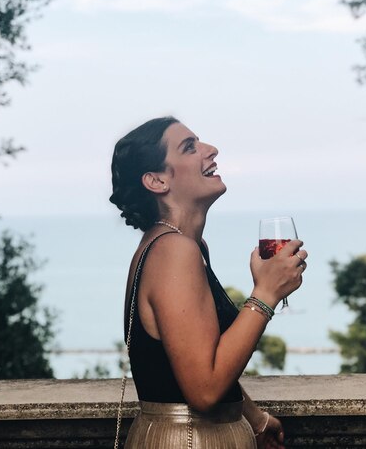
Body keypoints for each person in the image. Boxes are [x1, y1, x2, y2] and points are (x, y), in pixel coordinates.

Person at [110, 116, 307, 448]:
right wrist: (265, 294)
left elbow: (196, 357)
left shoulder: (186, 246)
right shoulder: (174, 251)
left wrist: (255, 419)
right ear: (156, 181)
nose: (211, 150)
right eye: (190, 147)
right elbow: (204, 390)